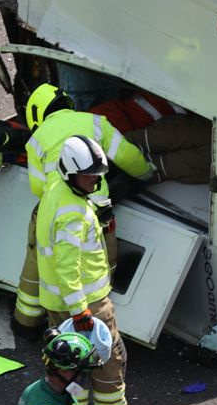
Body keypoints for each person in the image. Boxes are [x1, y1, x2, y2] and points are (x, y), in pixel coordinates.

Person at [14, 84, 154, 330]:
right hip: (98, 209)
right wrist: (147, 174)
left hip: (57, 207)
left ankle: (27, 320)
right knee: (99, 258)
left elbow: (38, 187)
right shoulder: (95, 122)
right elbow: (129, 157)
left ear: (36, 113)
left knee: (42, 258)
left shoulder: (38, 139)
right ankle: (102, 315)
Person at [36, 136, 145, 405]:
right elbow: (67, 263)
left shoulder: (58, 190)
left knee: (68, 364)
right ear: (71, 173)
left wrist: (95, 220)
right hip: (87, 302)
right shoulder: (72, 213)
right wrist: (80, 310)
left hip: (57, 301)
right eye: (88, 176)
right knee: (108, 358)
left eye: (98, 175)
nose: (94, 181)